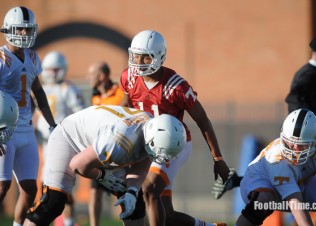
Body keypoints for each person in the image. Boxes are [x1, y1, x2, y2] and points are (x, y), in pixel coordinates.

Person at [120, 30, 230, 226]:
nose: (139, 61)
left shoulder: (176, 87)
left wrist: (218, 158)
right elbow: (125, 107)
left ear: (159, 56)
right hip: (146, 142)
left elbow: (202, 120)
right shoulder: (129, 77)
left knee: (150, 188)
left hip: (173, 144)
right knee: (166, 215)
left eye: (146, 56)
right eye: (136, 55)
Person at [23, 105, 186, 226]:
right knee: (53, 203)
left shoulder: (153, 131)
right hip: (68, 139)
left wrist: (132, 190)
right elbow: (78, 164)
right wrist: (102, 176)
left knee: (135, 202)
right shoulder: (120, 141)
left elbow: (142, 164)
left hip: (99, 145)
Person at [0, 6, 57, 226]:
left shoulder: (33, 57)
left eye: (27, 30)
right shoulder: (2, 57)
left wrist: (53, 124)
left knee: (30, 189)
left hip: (26, 129)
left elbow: (39, 93)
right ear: (8, 30)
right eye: (20, 29)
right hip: (4, 130)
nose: (24, 34)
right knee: (2, 187)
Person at [235, 109, 316, 226]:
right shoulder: (277, 160)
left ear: (314, 143)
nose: (292, 148)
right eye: (288, 142)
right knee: (264, 199)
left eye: (299, 144)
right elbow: (295, 203)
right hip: (261, 183)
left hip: (299, 182)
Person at [34, 51, 86, 226]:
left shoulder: (68, 88)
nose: (50, 73)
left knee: (64, 191)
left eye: (54, 69)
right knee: (45, 190)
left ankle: (68, 223)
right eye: (48, 69)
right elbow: (37, 115)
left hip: (63, 144)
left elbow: (80, 114)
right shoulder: (43, 88)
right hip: (46, 143)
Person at [86, 61, 124, 226]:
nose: (88, 78)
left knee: (123, 193)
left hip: (120, 153)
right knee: (94, 191)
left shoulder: (121, 93)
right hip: (102, 153)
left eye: (91, 74)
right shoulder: (95, 96)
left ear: (101, 76)